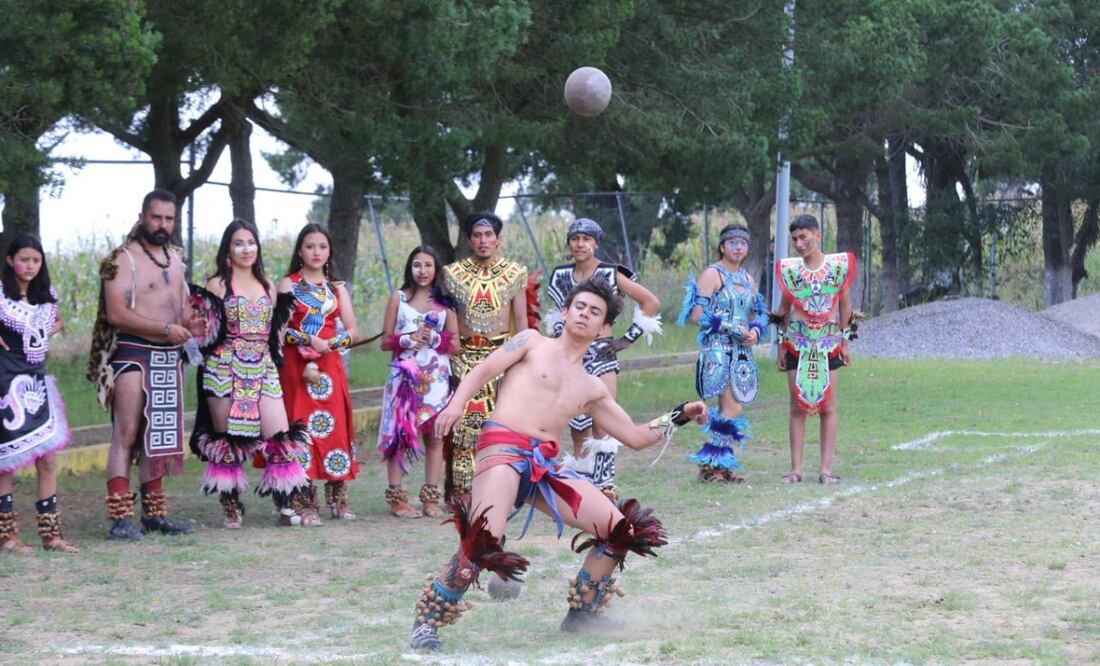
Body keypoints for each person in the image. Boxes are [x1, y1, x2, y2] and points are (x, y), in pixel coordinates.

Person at [408, 277, 708, 651]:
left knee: (620, 528)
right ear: (565, 312)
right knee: (482, 539)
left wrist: (678, 415)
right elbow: (483, 371)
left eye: (594, 312)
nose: (585, 314)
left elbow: (634, 436)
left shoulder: (593, 387)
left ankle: (583, 614)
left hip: (544, 466)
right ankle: (426, 622)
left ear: (603, 327)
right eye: (579, 306)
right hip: (502, 447)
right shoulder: (531, 341)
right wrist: (454, 405)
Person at [87, 189, 202, 541]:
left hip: (169, 356)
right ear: (142, 217)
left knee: (159, 437)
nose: (163, 224)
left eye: (169, 219)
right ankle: (120, 518)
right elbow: (118, 313)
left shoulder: (177, 259)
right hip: (132, 353)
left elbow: (182, 307)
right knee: (126, 433)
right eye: (157, 217)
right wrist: (165, 330)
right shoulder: (123, 259)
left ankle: (154, 515)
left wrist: (195, 323)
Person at [189, 220, 313, 528]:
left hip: (263, 365)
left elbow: (277, 333)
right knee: (227, 441)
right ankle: (231, 505)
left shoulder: (268, 286)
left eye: (251, 242)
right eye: (239, 243)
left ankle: (286, 503)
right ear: (228, 250)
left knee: (279, 436)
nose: (247, 249)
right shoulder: (217, 284)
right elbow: (204, 330)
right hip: (223, 368)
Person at [546, 218, 662, 500]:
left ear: (596, 243)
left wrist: (626, 339)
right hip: (571, 358)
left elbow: (650, 302)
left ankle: (606, 487)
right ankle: (581, 486)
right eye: (575, 238)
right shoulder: (560, 276)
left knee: (603, 423)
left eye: (587, 239)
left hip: (601, 356)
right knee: (575, 423)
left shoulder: (611, 273)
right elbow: (558, 315)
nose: (580, 244)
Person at [443, 211, 527, 505]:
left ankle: (498, 488)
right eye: (477, 235)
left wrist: (521, 362)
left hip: (501, 356)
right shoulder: (452, 274)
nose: (483, 240)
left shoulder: (515, 273)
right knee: (465, 423)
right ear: (469, 240)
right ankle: (462, 492)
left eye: (488, 235)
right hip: (465, 356)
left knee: (501, 424)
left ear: (498, 239)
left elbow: (522, 324)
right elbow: (449, 320)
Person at [276, 224, 360, 520]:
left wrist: (330, 343)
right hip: (296, 368)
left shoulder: (336, 288)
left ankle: (338, 498)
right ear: (300, 250)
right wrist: (309, 340)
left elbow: (353, 330)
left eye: (322, 247)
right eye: (310, 246)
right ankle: (303, 500)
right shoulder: (288, 284)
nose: (316, 252)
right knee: (301, 430)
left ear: (329, 252)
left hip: (329, 366)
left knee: (335, 429)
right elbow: (281, 330)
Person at [0, 235, 77, 553]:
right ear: (9, 261)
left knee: (47, 458)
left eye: (36, 260)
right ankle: (6, 536)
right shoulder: (2, 298)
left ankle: (51, 534)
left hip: (36, 381)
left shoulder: (46, 299)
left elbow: (54, 322)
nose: (30, 265)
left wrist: (50, 329)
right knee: (5, 460)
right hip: (6, 381)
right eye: (24, 259)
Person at [677, 223, 766, 483]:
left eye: (743, 243)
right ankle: (712, 465)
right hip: (718, 349)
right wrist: (730, 327)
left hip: (741, 352)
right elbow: (696, 315)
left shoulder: (748, 279)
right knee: (733, 409)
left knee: (730, 408)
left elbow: (757, 313)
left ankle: (716, 467)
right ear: (722, 245)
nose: (738, 247)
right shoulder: (712, 274)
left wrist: (756, 332)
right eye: (733, 242)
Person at [773, 214, 857, 485]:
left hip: (829, 342)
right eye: (795, 239)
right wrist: (780, 346)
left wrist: (845, 341)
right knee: (797, 405)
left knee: (828, 406)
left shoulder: (837, 267)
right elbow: (783, 310)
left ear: (818, 235)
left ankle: (825, 469)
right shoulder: (791, 271)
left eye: (804, 238)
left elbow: (845, 306)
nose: (799, 244)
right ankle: (796, 469)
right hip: (797, 342)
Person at [378, 245, 458, 518]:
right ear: (409, 268)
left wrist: (435, 339)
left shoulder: (446, 303)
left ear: (436, 269)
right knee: (400, 436)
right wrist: (407, 339)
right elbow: (384, 341)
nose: (422, 271)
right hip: (404, 380)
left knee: (435, 438)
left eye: (428, 265)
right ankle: (397, 497)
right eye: (417, 265)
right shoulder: (398, 298)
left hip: (436, 380)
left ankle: (430, 497)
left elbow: (456, 343)